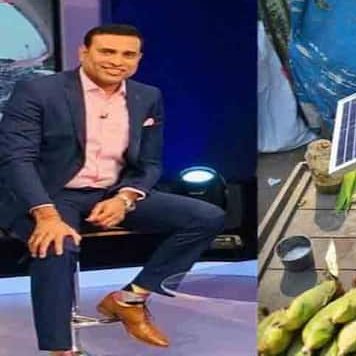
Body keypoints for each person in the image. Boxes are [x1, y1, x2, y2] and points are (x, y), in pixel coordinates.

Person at [0, 24, 225, 354]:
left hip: (110, 192)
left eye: (128, 54)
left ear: (138, 59)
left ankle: (129, 299)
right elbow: (16, 158)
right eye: (107, 51)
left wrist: (126, 196)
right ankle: (61, 349)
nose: (117, 61)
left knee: (206, 217)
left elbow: (149, 164)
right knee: (56, 244)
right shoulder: (37, 91)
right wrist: (45, 213)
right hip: (49, 194)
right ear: (84, 52)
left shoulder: (147, 96)